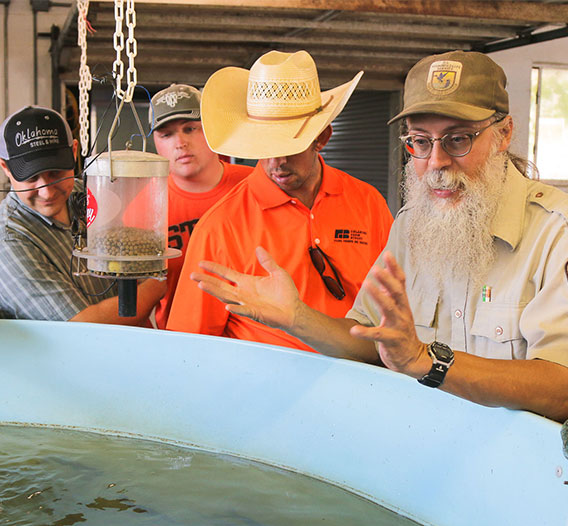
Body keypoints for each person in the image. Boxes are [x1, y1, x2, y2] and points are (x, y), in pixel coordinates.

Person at [189, 50, 568, 422]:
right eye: (420, 142)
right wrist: (297, 318)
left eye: (458, 139)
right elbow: (373, 340)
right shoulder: (412, 224)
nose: (436, 162)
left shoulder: (566, 233)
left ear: (504, 133)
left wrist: (427, 360)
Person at [167, 51, 394, 352]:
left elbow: (398, 308)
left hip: (363, 378)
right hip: (264, 391)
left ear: (322, 138)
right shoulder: (220, 226)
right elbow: (189, 347)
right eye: (265, 145)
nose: (278, 161)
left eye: (291, 145)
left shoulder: (368, 203)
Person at [0, 105, 165, 323]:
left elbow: (131, 269)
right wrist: (161, 282)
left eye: (56, 174)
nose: (46, 191)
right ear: (5, 168)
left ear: (74, 151)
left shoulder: (88, 193)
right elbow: (84, 326)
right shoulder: (9, 239)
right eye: (31, 179)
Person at [149, 84, 252, 329]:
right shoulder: (144, 207)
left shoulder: (255, 186)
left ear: (211, 129)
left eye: (190, 129)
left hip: (257, 342)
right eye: (167, 134)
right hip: (182, 346)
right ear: (156, 143)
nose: (180, 143)